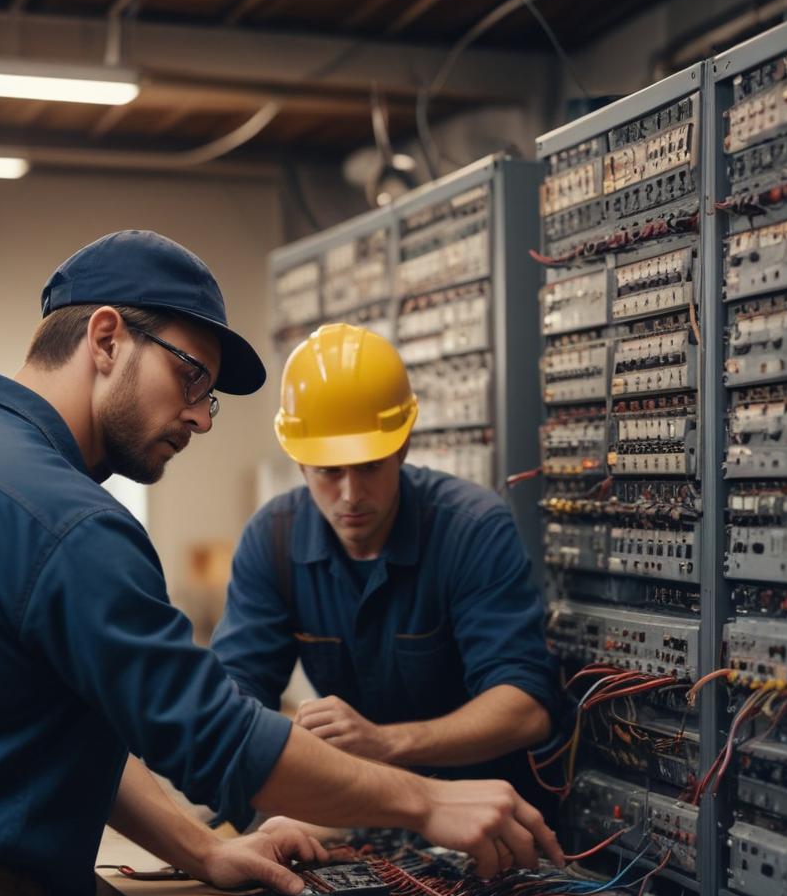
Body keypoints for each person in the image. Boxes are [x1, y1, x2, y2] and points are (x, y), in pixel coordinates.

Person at [0, 232, 563, 896]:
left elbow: (69, 726)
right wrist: (429, 801)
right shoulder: (68, 519)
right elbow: (215, 736)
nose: (201, 417)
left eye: (210, 393)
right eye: (189, 375)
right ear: (105, 338)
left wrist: (202, 849)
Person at [212, 323, 561, 815]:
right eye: (330, 472)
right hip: (360, 812)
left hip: (483, 817)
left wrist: (384, 742)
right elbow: (233, 702)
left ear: (402, 447)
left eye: (371, 466)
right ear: (299, 461)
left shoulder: (473, 529)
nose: (351, 494)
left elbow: (526, 710)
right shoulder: (271, 540)